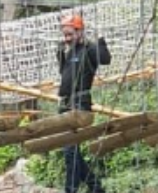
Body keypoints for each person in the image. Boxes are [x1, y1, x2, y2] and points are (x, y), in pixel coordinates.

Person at [56, 14, 110, 193]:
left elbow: (105, 59)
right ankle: (95, 187)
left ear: (80, 32)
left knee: (71, 151)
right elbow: (65, 75)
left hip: (80, 105)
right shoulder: (69, 52)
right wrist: (61, 53)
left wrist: (100, 39)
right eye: (65, 35)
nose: (67, 38)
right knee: (71, 152)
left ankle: (71, 190)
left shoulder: (89, 49)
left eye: (70, 34)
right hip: (66, 106)